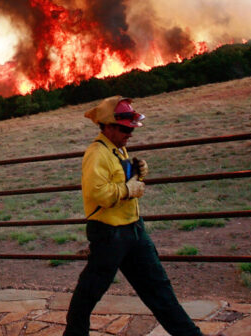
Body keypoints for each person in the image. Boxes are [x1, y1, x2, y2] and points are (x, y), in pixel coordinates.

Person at [64, 96, 202, 336]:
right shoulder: (96, 154)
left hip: (133, 231)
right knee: (90, 291)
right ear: (107, 126)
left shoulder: (117, 149)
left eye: (131, 128)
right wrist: (128, 189)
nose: (130, 133)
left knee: (160, 290)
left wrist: (134, 172)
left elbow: (116, 179)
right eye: (125, 128)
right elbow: (98, 193)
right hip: (109, 235)